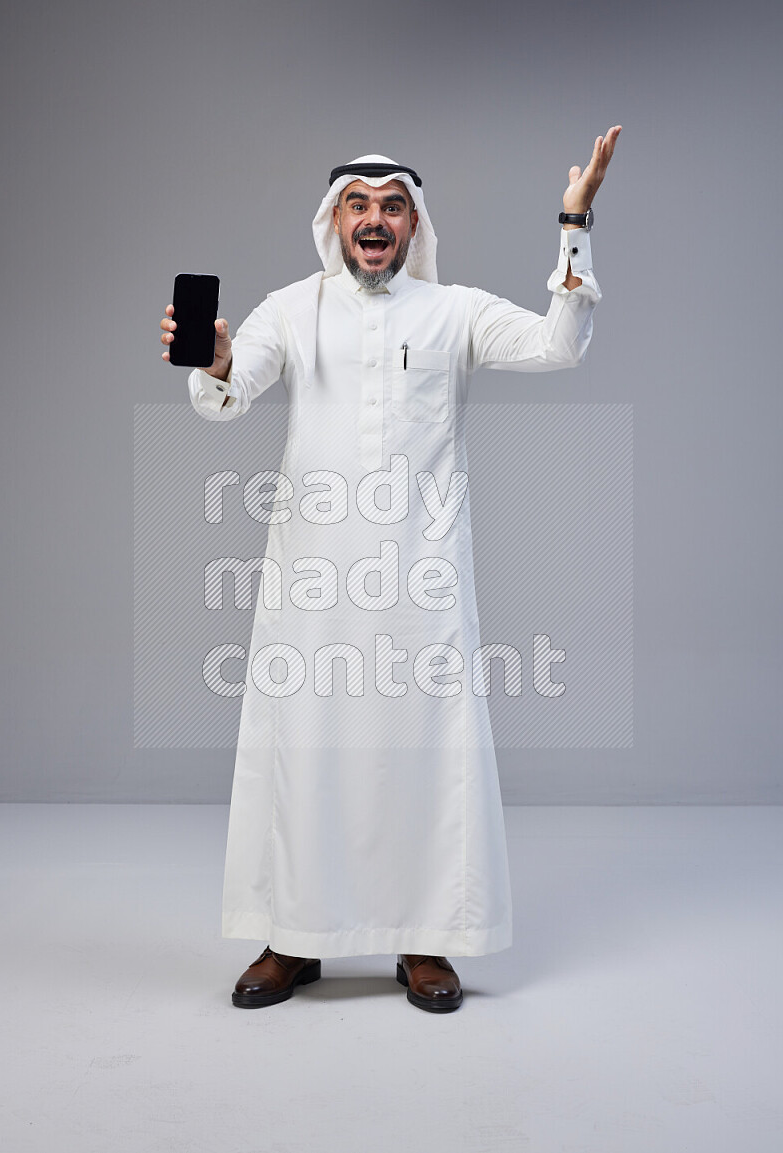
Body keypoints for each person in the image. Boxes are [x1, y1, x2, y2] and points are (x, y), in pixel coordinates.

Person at [160, 130, 622, 1014]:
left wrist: (575, 221)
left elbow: (559, 345)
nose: (374, 221)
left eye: (392, 206)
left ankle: (424, 941)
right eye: (358, 205)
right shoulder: (293, 308)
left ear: (414, 222)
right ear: (334, 220)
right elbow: (229, 390)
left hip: (423, 581)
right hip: (315, 582)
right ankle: (295, 938)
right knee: (307, 748)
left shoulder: (455, 313)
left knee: (424, 752)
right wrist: (212, 359)